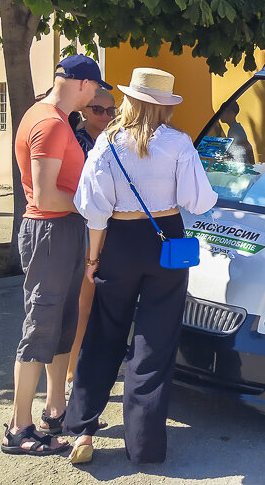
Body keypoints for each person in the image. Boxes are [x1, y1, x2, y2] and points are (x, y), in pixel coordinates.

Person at [65, 68, 218, 465]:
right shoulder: (180, 144)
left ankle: (82, 428)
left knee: (104, 331)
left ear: (130, 99)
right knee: (155, 340)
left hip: (118, 240)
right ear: (164, 105)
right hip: (166, 240)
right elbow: (199, 202)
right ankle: (144, 444)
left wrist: (93, 257)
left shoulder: (107, 145)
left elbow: (94, 211)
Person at [1, 55, 108, 456]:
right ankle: (19, 427)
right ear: (82, 84)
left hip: (62, 230)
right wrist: (91, 206)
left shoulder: (53, 118)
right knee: (39, 330)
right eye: (96, 89)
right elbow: (46, 195)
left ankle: (54, 409)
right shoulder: (49, 122)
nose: (97, 96)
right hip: (50, 230)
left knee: (62, 326)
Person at [66, 87, 117, 392]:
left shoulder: (116, 141)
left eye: (112, 111)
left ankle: (95, 365)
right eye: (99, 110)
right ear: (85, 109)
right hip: (86, 229)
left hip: (117, 229)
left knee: (107, 305)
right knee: (83, 306)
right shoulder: (75, 142)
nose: (107, 116)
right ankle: (72, 372)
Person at [74, 88, 116, 156]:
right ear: (84, 111)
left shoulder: (119, 142)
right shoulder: (76, 144)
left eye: (110, 110)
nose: (105, 115)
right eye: (97, 109)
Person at [216, 100, 255, 165]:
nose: (220, 115)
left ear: (231, 114)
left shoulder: (235, 130)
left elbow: (248, 147)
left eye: (223, 112)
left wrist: (253, 167)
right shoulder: (233, 129)